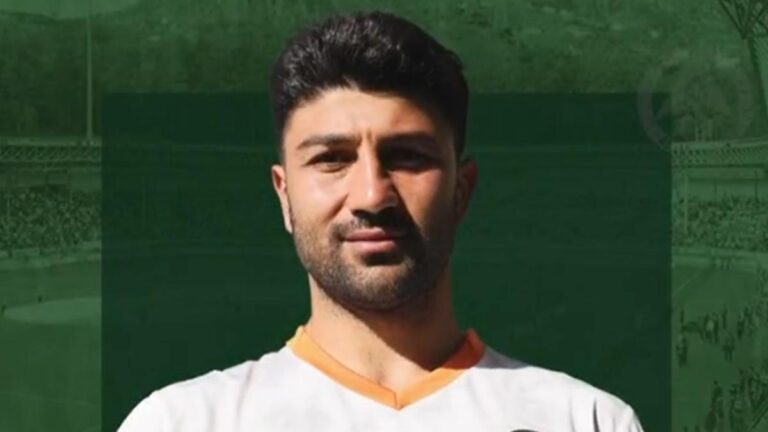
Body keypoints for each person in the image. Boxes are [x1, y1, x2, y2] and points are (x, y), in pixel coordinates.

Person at [118, 10, 645, 431]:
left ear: (461, 191)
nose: (372, 195)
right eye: (332, 159)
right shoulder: (181, 422)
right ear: (284, 196)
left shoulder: (585, 420)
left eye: (408, 157)